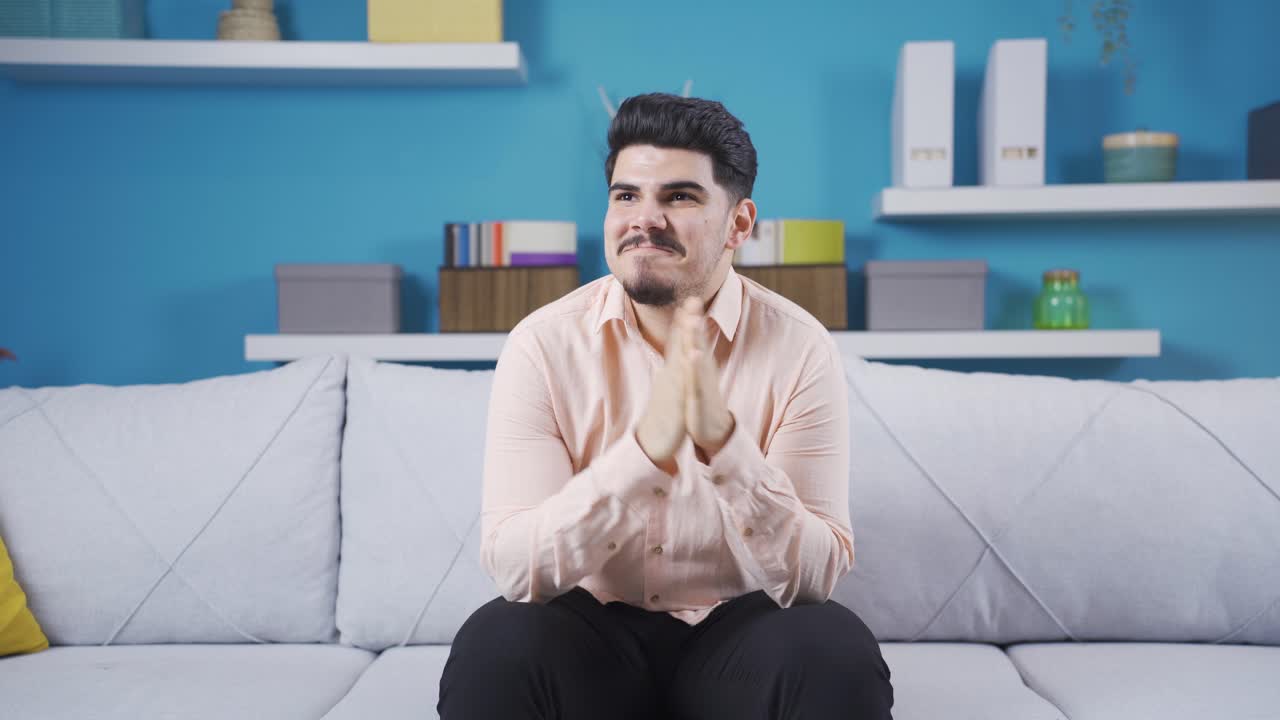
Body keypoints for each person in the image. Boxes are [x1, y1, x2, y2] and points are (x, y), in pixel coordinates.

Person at [438, 93, 893, 720]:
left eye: (679, 197)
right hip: (590, 640)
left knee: (833, 649)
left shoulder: (800, 347)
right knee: (498, 644)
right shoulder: (543, 344)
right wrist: (644, 456)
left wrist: (725, 449)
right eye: (626, 196)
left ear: (739, 223)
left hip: (738, 638)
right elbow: (516, 569)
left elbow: (813, 578)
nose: (642, 220)